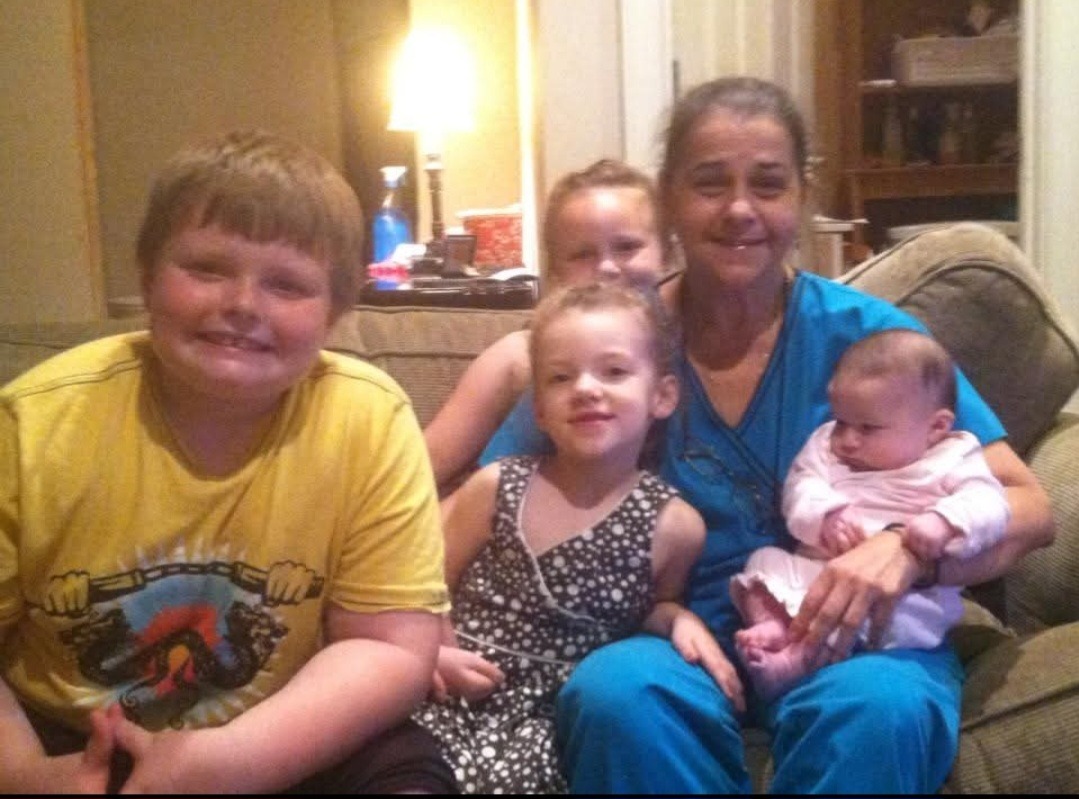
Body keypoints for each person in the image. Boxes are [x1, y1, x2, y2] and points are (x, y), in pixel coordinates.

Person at [482, 77, 1053, 793]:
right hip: (674, 640)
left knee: (881, 709)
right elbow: (500, 491)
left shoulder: (871, 339)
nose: (739, 209)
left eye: (768, 183)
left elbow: (1030, 506)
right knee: (614, 694)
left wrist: (910, 552)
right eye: (709, 184)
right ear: (668, 200)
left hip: (859, 642)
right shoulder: (614, 347)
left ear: (802, 197)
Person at [0, 130, 457, 794]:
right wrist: (23, 775)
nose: (243, 304)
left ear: (335, 311)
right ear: (147, 277)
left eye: (287, 284)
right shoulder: (31, 423)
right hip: (73, 743)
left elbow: (388, 646)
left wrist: (228, 762)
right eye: (208, 269)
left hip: (285, 729)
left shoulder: (369, 418)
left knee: (405, 767)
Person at [413, 282, 744, 793]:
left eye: (614, 372)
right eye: (561, 377)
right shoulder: (497, 486)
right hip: (449, 694)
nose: (586, 388)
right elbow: (423, 585)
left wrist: (677, 618)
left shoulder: (675, 526)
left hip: (551, 721)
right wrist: (430, 655)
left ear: (662, 396)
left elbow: (648, 607)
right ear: (539, 410)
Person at [730, 329, 1011, 701]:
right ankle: (777, 626)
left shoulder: (953, 457)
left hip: (900, 595)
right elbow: (799, 487)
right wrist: (826, 515)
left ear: (936, 427)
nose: (847, 439)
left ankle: (797, 658)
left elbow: (991, 502)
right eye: (841, 421)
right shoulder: (826, 445)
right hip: (816, 571)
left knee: (900, 615)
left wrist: (944, 521)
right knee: (763, 561)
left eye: (868, 428)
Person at [423, 158, 669, 494]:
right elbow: (423, 468)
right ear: (555, 273)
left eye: (627, 247)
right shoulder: (522, 356)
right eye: (582, 254)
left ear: (666, 253)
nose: (607, 268)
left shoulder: (687, 348)